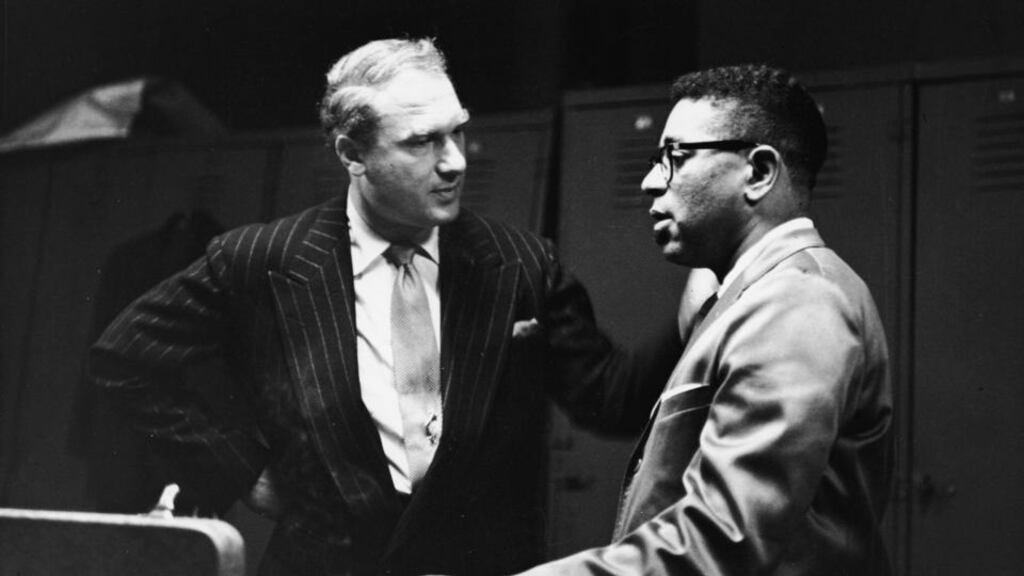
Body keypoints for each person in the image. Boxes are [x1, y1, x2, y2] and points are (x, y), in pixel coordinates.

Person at [88, 38, 682, 576]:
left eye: (457, 131)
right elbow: (125, 356)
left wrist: (707, 300)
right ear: (352, 153)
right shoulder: (261, 258)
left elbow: (613, 399)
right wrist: (241, 469)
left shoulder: (521, 264)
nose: (456, 160)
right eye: (423, 142)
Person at [516, 64, 894, 575]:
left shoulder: (795, 304)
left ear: (759, 173)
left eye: (676, 157)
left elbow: (723, 539)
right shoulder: (760, 295)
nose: (651, 182)